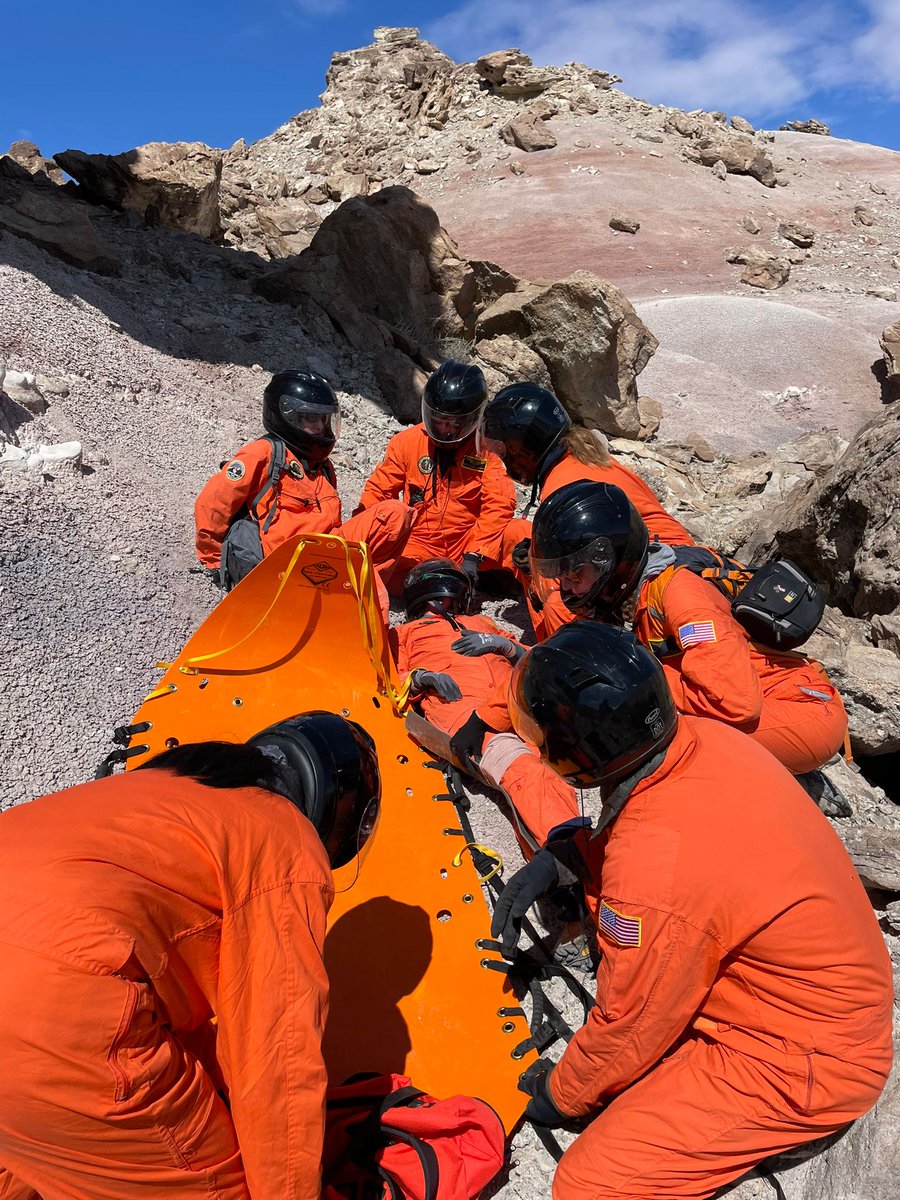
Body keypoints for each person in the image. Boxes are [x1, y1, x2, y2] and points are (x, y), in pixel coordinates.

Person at [493, 622, 892, 1200]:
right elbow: (654, 830)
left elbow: (630, 1024)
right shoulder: (705, 740)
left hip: (802, 1059)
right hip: (831, 1003)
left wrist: (561, 1093)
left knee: (590, 1184)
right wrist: (566, 855)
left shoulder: (653, 869)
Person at [0, 712, 381, 1200]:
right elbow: (277, 1053)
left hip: (33, 1015)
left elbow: (162, 983)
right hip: (54, 1014)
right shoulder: (280, 834)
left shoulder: (159, 787)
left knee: (36, 1160)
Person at [528, 479, 848, 775]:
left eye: (574, 574)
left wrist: (639, 679)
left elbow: (738, 704)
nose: (567, 586)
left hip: (804, 711)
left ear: (608, 563)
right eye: (561, 574)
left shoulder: (679, 595)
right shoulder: (623, 593)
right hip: (748, 693)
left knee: (648, 724)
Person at [390, 559, 580, 848]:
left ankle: (564, 855)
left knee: (555, 772)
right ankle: (568, 854)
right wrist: (421, 678)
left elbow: (535, 659)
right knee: (522, 769)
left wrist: (504, 645)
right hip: (466, 716)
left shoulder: (482, 622)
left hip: (513, 703)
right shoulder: (404, 634)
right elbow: (390, 679)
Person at [195, 369, 412, 594]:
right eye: (311, 418)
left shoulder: (324, 468)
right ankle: (355, 600)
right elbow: (213, 503)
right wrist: (214, 560)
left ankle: (356, 593)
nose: (320, 426)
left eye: (323, 418)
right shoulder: (264, 454)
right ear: (287, 416)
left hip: (326, 554)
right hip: (286, 561)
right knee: (373, 593)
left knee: (396, 514)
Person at [357, 362, 515, 593]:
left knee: (520, 536)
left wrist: (474, 556)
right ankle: (443, 582)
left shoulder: (487, 451)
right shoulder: (407, 442)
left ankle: (482, 577)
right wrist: (363, 538)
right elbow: (378, 493)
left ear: (473, 419)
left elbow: (499, 505)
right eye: (438, 420)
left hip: (469, 545)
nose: (444, 430)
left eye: (453, 424)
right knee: (380, 574)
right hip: (417, 545)